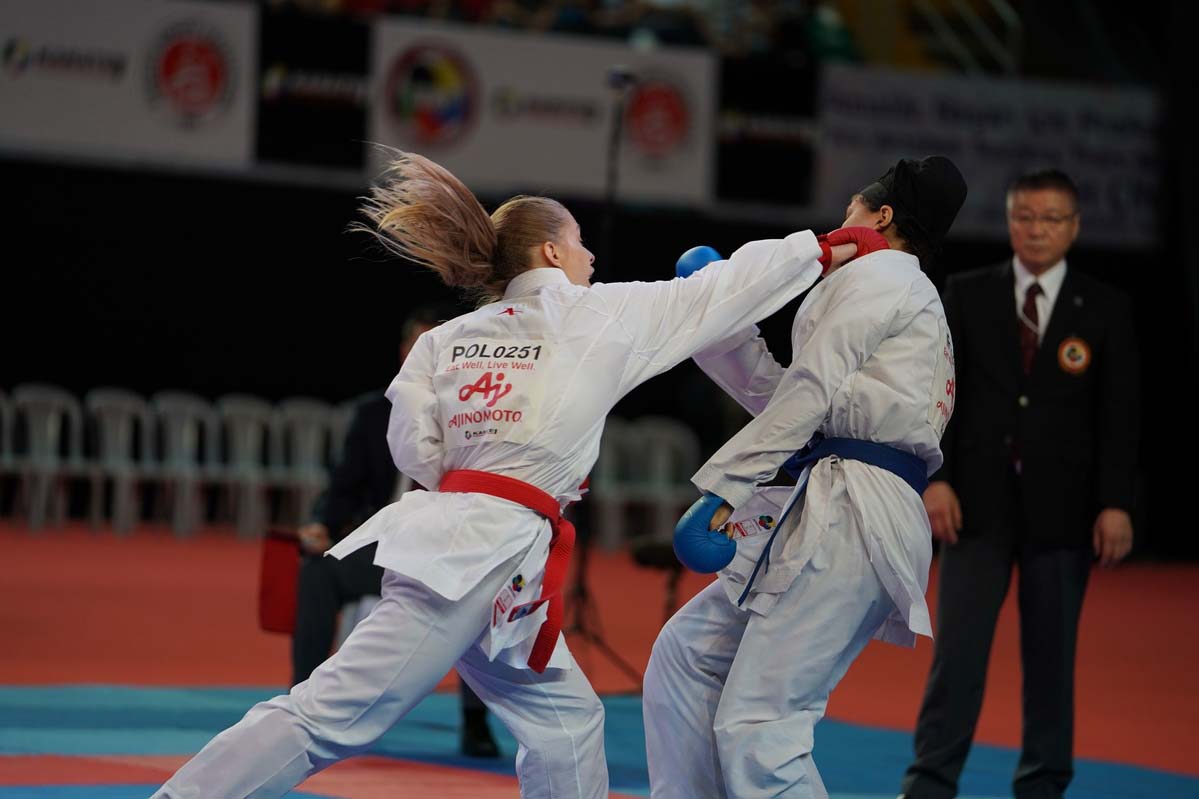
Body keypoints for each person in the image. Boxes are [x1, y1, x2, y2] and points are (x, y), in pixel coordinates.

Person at [150, 150, 864, 799]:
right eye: (579, 242)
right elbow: (726, 287)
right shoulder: (598, 314)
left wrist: (487, 469)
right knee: (330, 713)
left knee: (566, 723)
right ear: (551, 250)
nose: (590, 255)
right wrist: (829, 246)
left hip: (473, 546)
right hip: (481, 550)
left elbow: (413, 450)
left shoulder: (444, 338)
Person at [643, 155, 968, 799]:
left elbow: (809, 391)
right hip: (841, 494)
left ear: (881, 216)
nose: (841, 220)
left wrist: (724, 491)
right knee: (687, 657)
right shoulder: (903, 297)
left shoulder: (881, 275)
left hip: (855, 508)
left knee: (762, 727)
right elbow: (796, 399)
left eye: (852, 208)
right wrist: (722, 332)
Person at [898, 169, 1139, 799]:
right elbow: (937, 392)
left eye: (1051, 219)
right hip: (974, 508)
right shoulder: (966, 293)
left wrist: (1116, 502)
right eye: (1025, 217)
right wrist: (937, 478)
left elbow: (1119, 416)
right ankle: (929, 782)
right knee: (958, 656)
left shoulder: (1105, 307)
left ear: (1074, 227)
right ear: (1009, 223)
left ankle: (1043, 785)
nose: (1037, 230)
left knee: (1051, 658)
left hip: (1065, 513)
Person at [291, 306, 500, 758]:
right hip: (387, 547)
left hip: (453, 549)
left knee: (484, 590)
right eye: (419, 346)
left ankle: (476, 722)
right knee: (319, 571)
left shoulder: (481, 413)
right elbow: (344, 485)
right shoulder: (373, 413)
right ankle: (303, 703)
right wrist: (322, 523)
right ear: (405, 352)